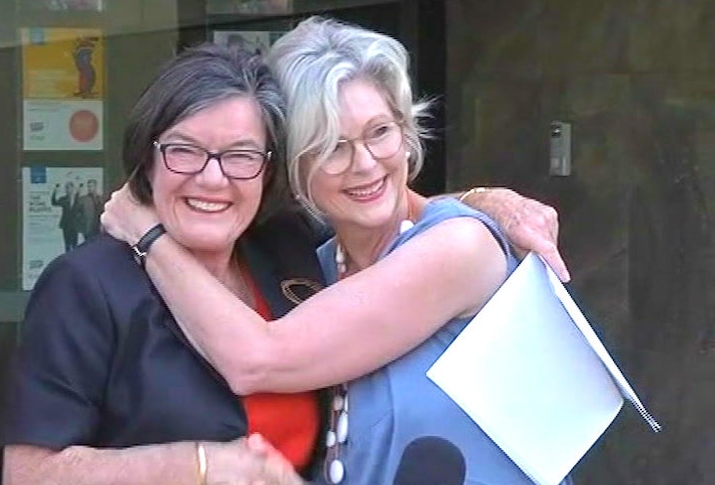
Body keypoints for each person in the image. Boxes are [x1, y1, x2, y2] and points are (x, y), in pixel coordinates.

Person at [100, 17, 571, 485]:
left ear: (407, 134)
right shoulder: (316, 267)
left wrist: (147, 232)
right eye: (331, 147)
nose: (364, 164)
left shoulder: (459, 246)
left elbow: (256, 360)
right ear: (292, 165)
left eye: (380, 132)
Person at [4, 44, 319, 485]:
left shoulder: (290, 253)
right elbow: (28, 475)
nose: (213, 178)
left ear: (267, 172)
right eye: (184, 150)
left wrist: (450, 216)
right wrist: (195, 466)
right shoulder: (85, 285)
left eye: (241, 156)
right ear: (148, 161)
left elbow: (383, 227)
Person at [51, 180, 81, 252]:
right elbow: (54, 203)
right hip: (66, 224)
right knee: (67, 244)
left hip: (75, 225)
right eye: (67, 188)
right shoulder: (63, 199)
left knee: (75, 244)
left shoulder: (78, 198)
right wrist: (55, 191)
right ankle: (67, 260)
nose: (68, 189)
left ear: (73, 188)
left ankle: (75, 259)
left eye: (70, 188)